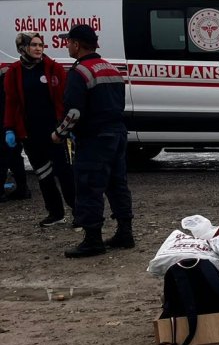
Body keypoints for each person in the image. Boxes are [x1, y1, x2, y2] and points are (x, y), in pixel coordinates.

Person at [52, 24, 133, 258]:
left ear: (77, 44)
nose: (67, 45)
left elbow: (74, 113)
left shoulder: (80, 72)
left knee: (89, 187)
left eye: (68, 42)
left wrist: (59, 133)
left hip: (94, 139)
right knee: (117, 185)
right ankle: (125, 233)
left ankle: (93, 240)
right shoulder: (111, 69)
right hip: (117, 134)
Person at [3, 32, 76, 225]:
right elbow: (11, 102)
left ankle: (79, 212)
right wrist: (9, 128)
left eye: (40, 45)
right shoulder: (15, 72)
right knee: (44, 174)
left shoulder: (53, 68)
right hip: (30, 132)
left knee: (64, 172)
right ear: (22, 48)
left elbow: (65, 98)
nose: (38, 48)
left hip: (55, 131)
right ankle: (56, 214)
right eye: (33, 45)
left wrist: (68, 126)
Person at [0, 65, 32, 204]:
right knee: (14, 157)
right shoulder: (12, 71)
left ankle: (2, 192)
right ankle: (22, 188)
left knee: (3, 157)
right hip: (14, 123)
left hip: (6, 123)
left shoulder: (6, 73)